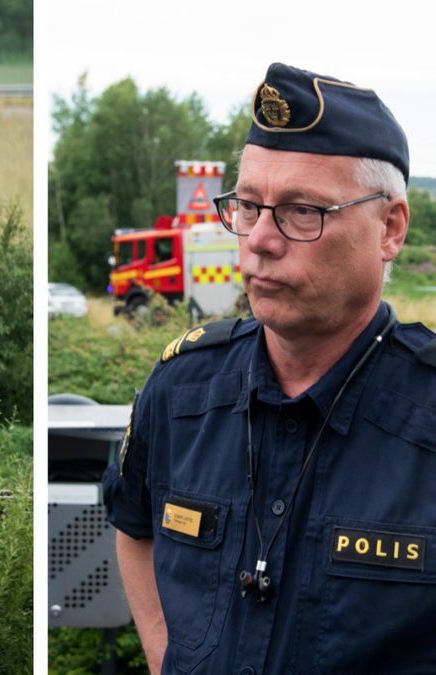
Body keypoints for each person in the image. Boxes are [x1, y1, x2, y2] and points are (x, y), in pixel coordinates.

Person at [103, 62, 431, 673]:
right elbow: (133, 522)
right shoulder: (182, 390)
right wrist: (165, 658)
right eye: (249, 205)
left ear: (389, 228)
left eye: (302, 211)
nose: (259, 239)